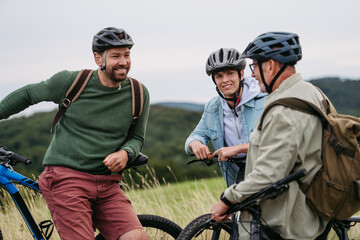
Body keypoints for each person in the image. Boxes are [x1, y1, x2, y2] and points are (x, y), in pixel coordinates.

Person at [0, 27, 150, 240]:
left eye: (127, 54)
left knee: (137, 237)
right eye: (116, 56)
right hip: (66, 179)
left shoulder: (138, 93)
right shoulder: (72, 82)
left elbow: (137, 138)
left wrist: (126, 153)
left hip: (107, 184)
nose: (124, 61)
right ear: (99, 58)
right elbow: (28, 94)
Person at [211, 32, 330, 239]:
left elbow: (268, 173)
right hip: (313, 212)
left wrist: (227, 199)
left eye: (254, 66)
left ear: (271, 66)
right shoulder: (312, 92)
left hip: (287, 222)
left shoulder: (283, 110)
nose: (253, 74)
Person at [185, 48, 266, 186]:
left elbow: (274, 141)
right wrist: (195, 144)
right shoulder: (213, 107)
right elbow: (195, 136)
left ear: (241, 74)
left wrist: (237, 149)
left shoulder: (264, 100)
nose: (225, 80)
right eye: (219, 76)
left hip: (266, 172)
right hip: (235, 178)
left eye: (230, 73)